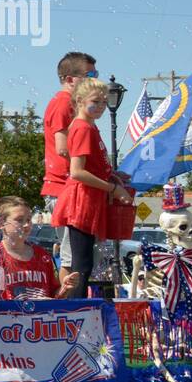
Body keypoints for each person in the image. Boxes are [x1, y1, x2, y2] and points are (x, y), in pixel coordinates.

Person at [52, 78, 131, 298]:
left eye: (104, 102)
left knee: (84, 263)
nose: (101, 107)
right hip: (82, 201)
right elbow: (77, 171)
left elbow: (90, 167)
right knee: (82, 264)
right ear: (79, 100)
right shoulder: (83, 127)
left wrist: (112, 175)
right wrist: (113, 189)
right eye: (95, 101)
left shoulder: (89, 127)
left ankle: (76, 312)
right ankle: (75, 313)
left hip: (88, 199)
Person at [42, 52, 97, 282]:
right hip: (64, 187)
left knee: (75, 256)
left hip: (69, 188)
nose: (94, 80)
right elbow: (63, 146)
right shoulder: (64, 102)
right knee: (71, 257)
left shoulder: (70, 103)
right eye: (89, 75)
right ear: (69, 78)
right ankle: (66, 306)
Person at [0, 196, 79, 300]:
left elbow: (54, 296)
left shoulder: (42, 255)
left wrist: (65, 288)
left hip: (41, 315)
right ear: (1, 223)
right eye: (19, 220)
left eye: (29, 219)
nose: (26, 224)